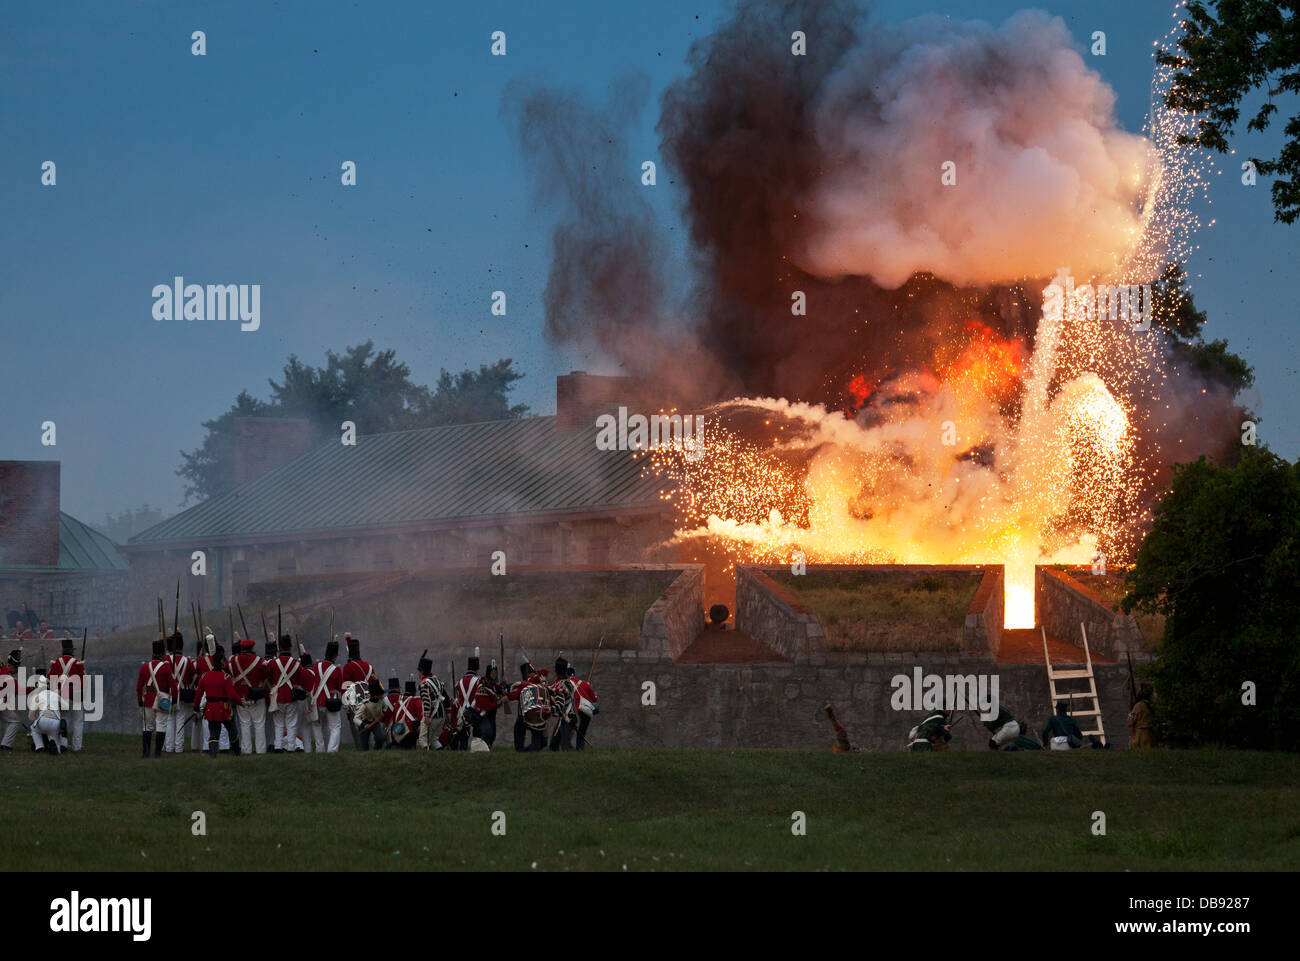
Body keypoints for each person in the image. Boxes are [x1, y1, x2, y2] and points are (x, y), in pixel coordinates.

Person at [194, 649, 240, 758]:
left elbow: (198, 694)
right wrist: (240, 701)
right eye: (224, 660)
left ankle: (213, 755)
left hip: (210, 708)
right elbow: (232, 695)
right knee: (232, 731)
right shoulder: (226, 677)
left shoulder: (205, 676)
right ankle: (237, 753)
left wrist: (196, 706)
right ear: (221, 661)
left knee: (214, 732)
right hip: (224, 708)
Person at [266, 635, 305, 752]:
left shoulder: (273, 663)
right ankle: (291, 747)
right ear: (290, 647)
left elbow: (269, 678)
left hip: (277, 696)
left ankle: (278, 747)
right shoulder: (297, 664)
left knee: (278, 723)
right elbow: (299, 680)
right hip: (291, 696)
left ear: (280, 647)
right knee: (291, 724)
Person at [136, 640, 174, 758]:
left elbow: (138, 687)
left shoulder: (144, 667)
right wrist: (175, 700)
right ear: (163, 653)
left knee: (147, 726)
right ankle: (157, 753)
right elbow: (173, 686)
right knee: (161, 726)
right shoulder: (167, 667)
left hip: (148, 700)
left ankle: (146, 753)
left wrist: (140, 701)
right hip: (162, 699)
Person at [229, 638, 268, 754]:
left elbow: (229, 673)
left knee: (244, 724)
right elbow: (265, 676)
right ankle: (261, 750)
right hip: (257, 697)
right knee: (259, 724)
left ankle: (246, 749)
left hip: (241, 697)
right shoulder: (260, 661)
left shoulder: (233, 661)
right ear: (252, 648)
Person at [48, 637, 86, 752]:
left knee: (62, 719)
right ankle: (76, 746)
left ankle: (63, 744)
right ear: (72, 651)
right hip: (75, 695)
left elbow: (49, 679)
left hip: (61, 695)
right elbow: (84, 681)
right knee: (78, 721)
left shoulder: (55, 663)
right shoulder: (78, 663)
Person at [340, 634, 374, 748]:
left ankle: (361, 749)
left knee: (357, 730)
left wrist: (346, 706)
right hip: (369, 704)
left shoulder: (348, 667)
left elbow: (345, 688)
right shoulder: (369, 667)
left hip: (355, 705)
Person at [310, 639, 344, 753]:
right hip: (330, 702)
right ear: (335, 656)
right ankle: (332, 750)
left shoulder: (316, 666)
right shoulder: (337, 670)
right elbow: (341, 688)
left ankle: (320, 750)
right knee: (335, 727)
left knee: (317, 727)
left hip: (317, 701)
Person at [508, 662, 550, 752]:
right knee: (530, 734)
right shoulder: (536, 680)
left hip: (529, 714)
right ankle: (525, 751)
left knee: (521, 730)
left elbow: (513, 695)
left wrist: (507, 695)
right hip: (537, 714)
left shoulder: (533, 681)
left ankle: (523, 751)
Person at [164, 631, 193, 754]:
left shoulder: (165, 660)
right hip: (181, 693)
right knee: (180, 720)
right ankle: (179, 747)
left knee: (169, 720)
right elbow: (191, 677)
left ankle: (169, 747)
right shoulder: (187, 661)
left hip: (167, 694)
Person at [416, 653, 449, 750]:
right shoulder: (437, 680)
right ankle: (439, 756)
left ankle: (427, 759)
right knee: (434, 739)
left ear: (421, 671)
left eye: (418, 671)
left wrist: (426, 717)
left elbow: (426, 701)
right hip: (441, 715)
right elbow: (446, 698)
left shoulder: (424, 684)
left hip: (432, 715)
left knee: (423, 740)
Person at [26, 674, 66, 755]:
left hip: (43, 721)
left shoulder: (37, 696)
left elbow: (31, 715)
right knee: (52, 735)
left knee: (33, 729)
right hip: (55, 722)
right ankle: (57, 748)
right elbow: (66, 708)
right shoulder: (56, 694)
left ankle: (39, 747)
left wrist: (34, 720)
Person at [356, 678, 388, 750]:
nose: (383, 695)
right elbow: (356, 718)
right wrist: (363, 725)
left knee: (381, 737)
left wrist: (383, 713)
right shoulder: (365, 704)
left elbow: (385, 707)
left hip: (375, 722)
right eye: (381, 694)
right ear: (375, 695)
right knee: (364, 747)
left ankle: (377, 750)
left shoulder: (381, 700)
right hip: (364, 723)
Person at [0, 650, 23, 750]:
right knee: (15, 721)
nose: (17, 670)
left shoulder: (4, 670)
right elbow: (19, 690)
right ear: (11, 666)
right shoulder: (7, 674)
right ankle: (5, 744)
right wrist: (32, 688)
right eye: (16, 668)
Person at [1127, 684, 1157, 749]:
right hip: (1149, 734)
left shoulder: (1139, 705)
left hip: (1139, 735)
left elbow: (1130, 722)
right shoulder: (1151, 706)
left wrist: (1130, 714)